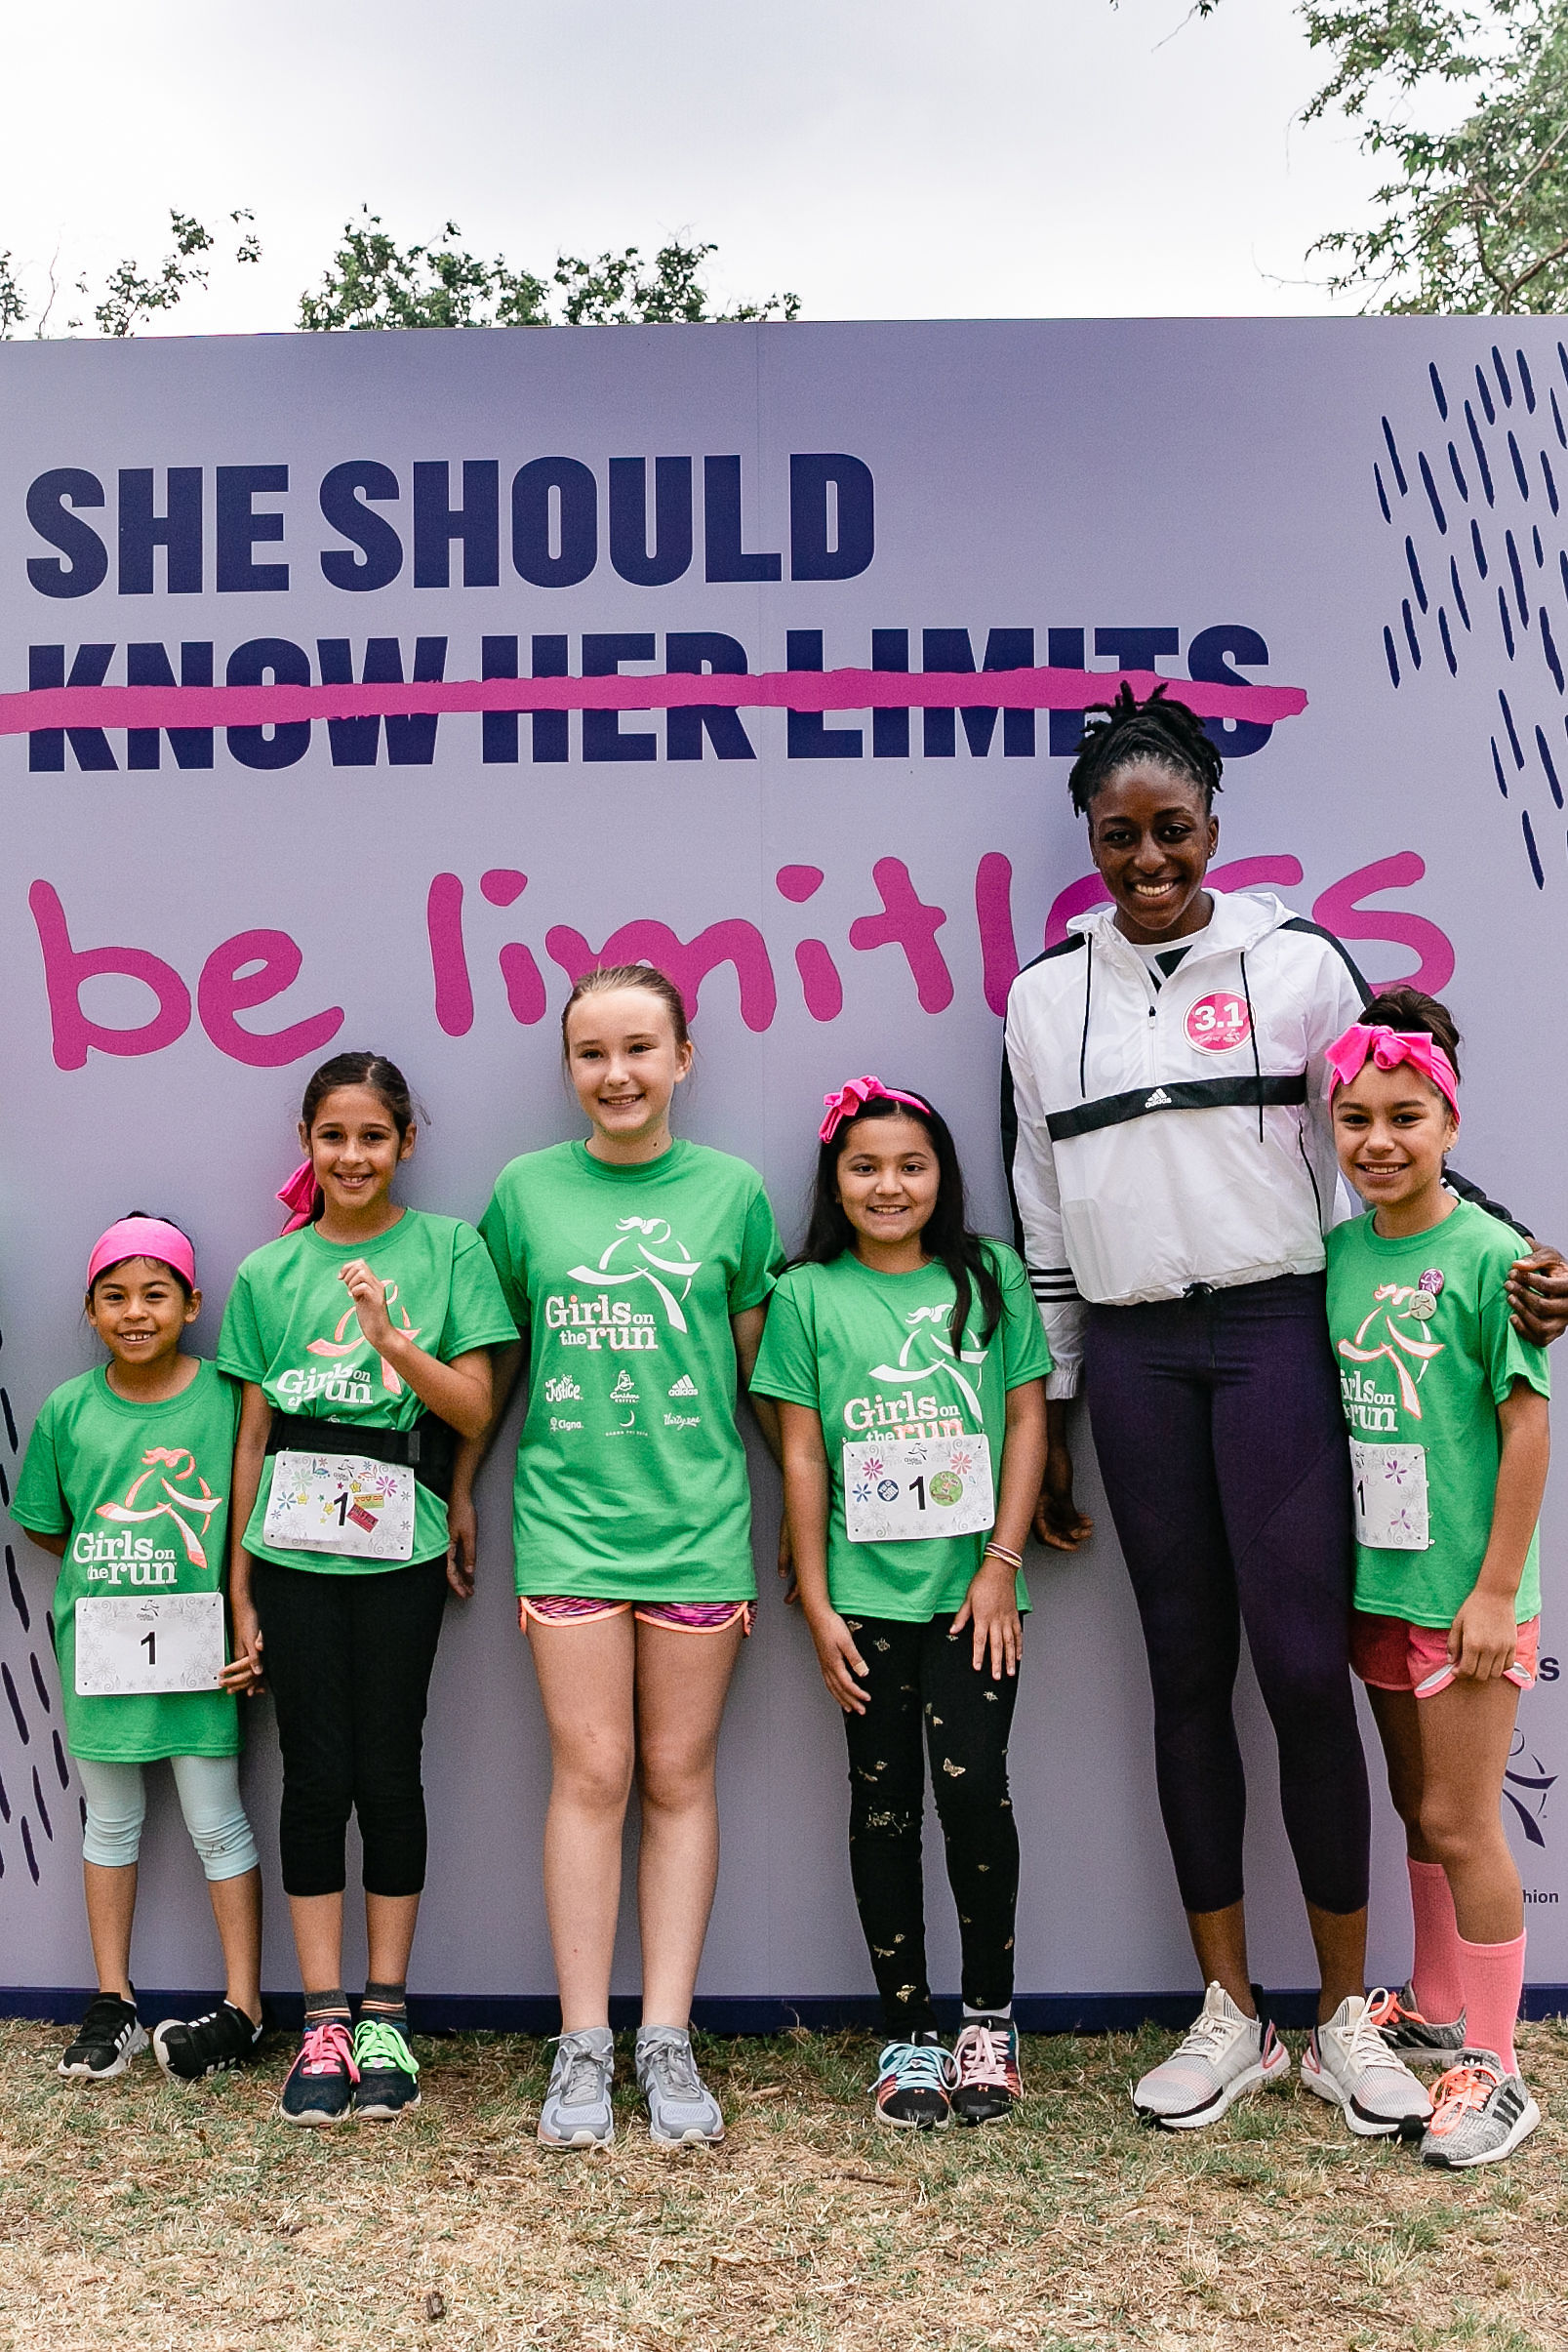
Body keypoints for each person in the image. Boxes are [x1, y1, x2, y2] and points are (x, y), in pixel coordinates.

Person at [1002, 684, 1568, 2134]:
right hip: (1130, 1354)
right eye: (1117, 834)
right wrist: (1057, 1411)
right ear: (1087, 835)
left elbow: (1386, 1154)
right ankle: (1228, 2012)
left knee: (1301, 1670)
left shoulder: (1298, 963)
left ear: (1211, 822)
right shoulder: (1040, 997)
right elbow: (1040, 1209)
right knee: (1181, 1675)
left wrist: (1506, 1256)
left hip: (1272, 1340)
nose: (1145, 858)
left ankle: (1336, 2017)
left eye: (1171, 828)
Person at [467, 962, 784, 2151]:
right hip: (565, 1524)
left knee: (676, 1776)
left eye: (641, 1048)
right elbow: (496, 1364)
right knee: (590, 1774)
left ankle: (666, 2036)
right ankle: (583, 2043)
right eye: (593, 1052)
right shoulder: (523, 1193)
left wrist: (803, 1537)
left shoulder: (733, 1194)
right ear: (568, 1068)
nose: (617, 1073)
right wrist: (461, 1488)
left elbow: (765, 1387)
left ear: (683, 1059)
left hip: (699, 1530)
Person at [221, 1052, 515, 2126]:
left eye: (373, 1137)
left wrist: (392, 1337)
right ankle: (324, 2016)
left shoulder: (446, 1251)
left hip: (401, 1544)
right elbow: (251, 1434)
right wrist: (238, 1585)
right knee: (311, 1776)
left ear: (404, 1145)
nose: (352, 1155)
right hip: (291, 1552)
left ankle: (386, 2006)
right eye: (333, 1135)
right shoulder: (269, 1272)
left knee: (388, 1769)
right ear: (307, 1140)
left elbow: (477, 1409)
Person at [752, 1077, 1049, 2131]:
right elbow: (797, 1454)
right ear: (835, 1180)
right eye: (865, 1166)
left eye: (910, 1164)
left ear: (941, 1176)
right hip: (860, 1603)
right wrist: (817, 1601)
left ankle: (985, 2022)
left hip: (973, 1601)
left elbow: (1023, 1422)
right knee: (880, 1807)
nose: (889, 1184)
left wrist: (1001, 1562)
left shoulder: (990, 1276)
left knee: (974, 1799)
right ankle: (908, 2031)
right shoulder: (803, 1297)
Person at [1325, 990, 1548, 2167]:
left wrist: (1493, 1589)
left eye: (1403, 1116)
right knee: (1420, 1810)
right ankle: (1428, 2000)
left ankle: (1496, 2067)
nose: (1377, 1140)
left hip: (1464, 1599)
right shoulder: (1341, 1252)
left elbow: (1523, 1427)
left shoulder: (1492, 1257)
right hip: (1379, 1584)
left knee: (1464, 1822)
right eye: (1353, 1117)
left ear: (1448, 1122)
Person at [14, 1216, 262, 2085]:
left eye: (156, 1294)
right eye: (114, 1296)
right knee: (111, 1822)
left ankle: (244, 2004)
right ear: (89, 1311)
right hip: (103, 1658)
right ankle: (113, 2001)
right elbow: (50, 1528)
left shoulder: (227, 1398)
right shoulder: (68, 1410)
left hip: (203, 1657)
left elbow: (247, 1516)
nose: (135, 1312)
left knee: (215, 1820)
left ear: (192, 1304)